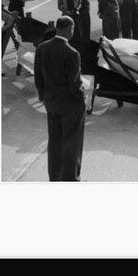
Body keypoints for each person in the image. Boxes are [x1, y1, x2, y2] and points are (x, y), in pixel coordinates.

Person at [33, 16, 86, 182]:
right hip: (70, 103)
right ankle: (70, 177)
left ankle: (55, 176)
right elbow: (75, 84)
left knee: (54, 140)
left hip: (50, 101)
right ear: (70, 29)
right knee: (71, 140)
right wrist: (82, 97)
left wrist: (42, 95)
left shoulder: (41, 48)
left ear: (57, 28)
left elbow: (38, 76)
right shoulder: (72, 53)